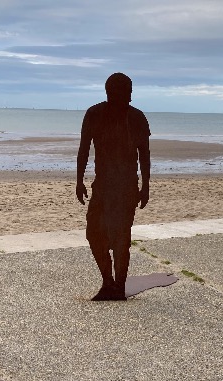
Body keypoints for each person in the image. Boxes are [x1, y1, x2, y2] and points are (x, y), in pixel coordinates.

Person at [76, 72, 151, 301]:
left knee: (121, 237)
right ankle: (108, 282)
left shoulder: (136, 117)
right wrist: (79, 180)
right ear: (109, 93)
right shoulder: (95, 114)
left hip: (127, 186)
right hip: (102, 185)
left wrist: (145, 186)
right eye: (123, 93)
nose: (127, 97)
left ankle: (118, 286)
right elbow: (84, 149)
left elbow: (144, 154)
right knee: (94, 233)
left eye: (128, 92)